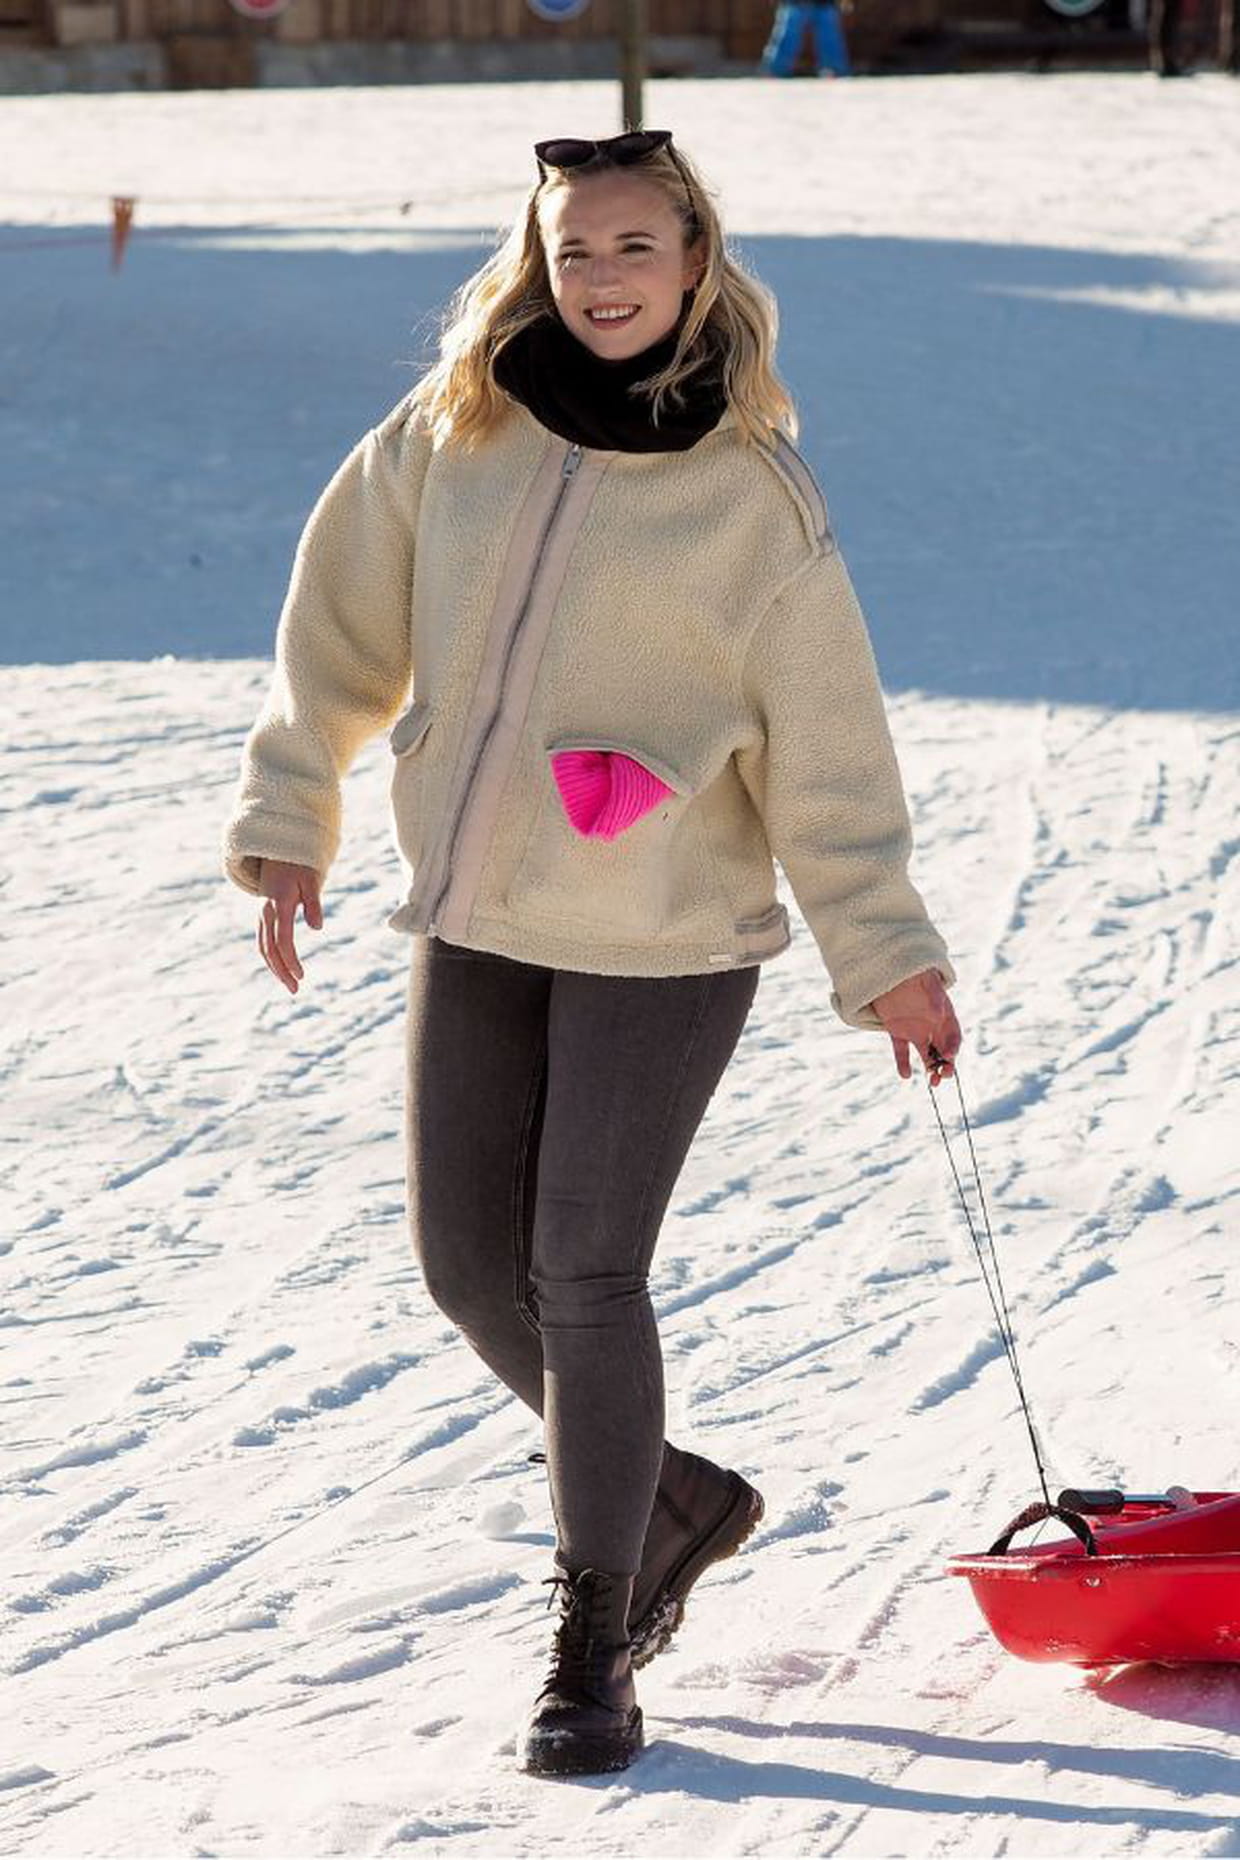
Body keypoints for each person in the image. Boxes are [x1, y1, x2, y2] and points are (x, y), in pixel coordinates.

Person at [222, 128, 961, 1780]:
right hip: (480, 911)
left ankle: (596, 1636)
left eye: (636, 246)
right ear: (536, 261)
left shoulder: (753, 500)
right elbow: (337, 624)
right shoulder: (457, 430)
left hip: (667, 938)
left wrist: (886, 951)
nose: (604, 277)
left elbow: (830, 751)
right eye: (575, 250)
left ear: (696, 260)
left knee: (584, 1271)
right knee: (468, 1274)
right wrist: (291, 809)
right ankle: (673, 1501)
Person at [761, 0, 852, 77]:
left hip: (823, 4)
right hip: (794, 3)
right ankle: (775, 70)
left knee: (829, 34)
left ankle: (834, 70)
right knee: (787, 33)